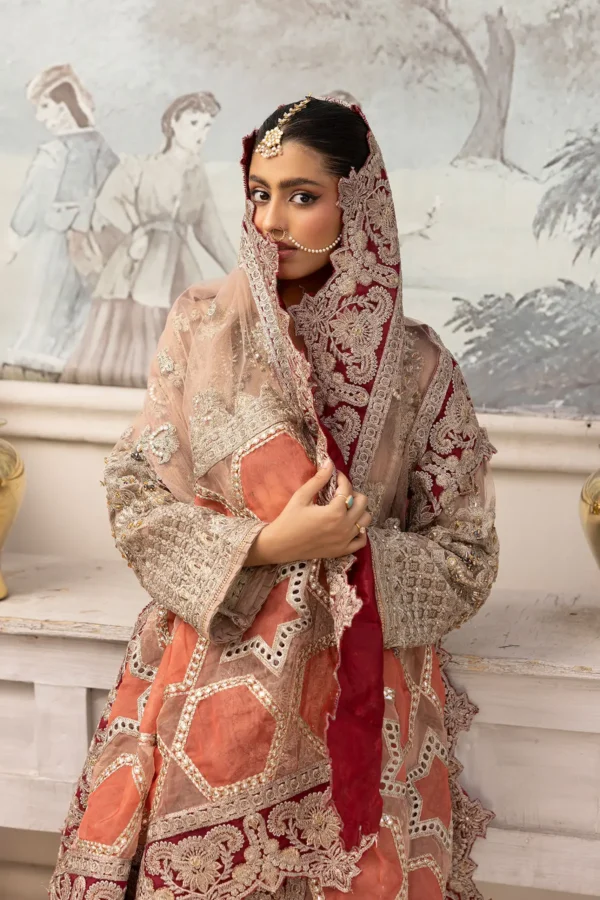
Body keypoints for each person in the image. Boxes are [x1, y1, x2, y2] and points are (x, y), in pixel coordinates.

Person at [49, 97, 498, 900]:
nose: (271, 221)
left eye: (302, 195)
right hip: (209, 701)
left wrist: (351, 553)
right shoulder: (203, 328)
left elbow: (467, 551)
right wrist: (265, 546)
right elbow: (136, 493)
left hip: (363, 707)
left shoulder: (419, 368)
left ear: (357, 203)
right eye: (260, 193)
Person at [61, 91, 237, 388]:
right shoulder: (140, 166)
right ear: (173, 123)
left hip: (178, 268)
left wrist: (240, 272)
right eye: (194, 123)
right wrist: (135, 231)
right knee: (129, 333)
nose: (201, 133)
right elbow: (108, 201)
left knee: (181, 333)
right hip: (138, 261)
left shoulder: (197, 177)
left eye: (207, 125)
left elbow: (211, 230)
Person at [3, 65, 118, 378]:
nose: (41, 117)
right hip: (95, 246)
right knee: (77, 310)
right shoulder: (104, 150)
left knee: (49, 307)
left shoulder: (55, 153)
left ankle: (39, 367)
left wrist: (15, 238)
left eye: (45, 107)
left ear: (65, 106)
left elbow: (33, 200)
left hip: (58, 244)